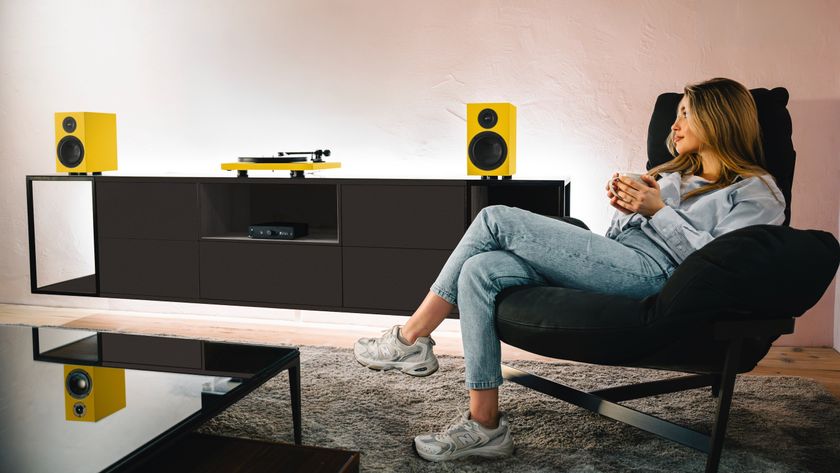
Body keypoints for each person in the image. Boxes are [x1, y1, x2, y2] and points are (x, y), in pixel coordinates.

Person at [353, 77, 786, 462]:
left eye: (686, 115)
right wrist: (628, 208)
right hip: (622, 263)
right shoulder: (669, 176)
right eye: (675, 116)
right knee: (481, 268)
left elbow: (721, 263)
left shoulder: (757, 192)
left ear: (718, 120)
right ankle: (485, 427)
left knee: (494, 218)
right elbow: (618, 241)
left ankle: (411, 338)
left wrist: (658, 212)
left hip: (663, 280)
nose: (674, 127)